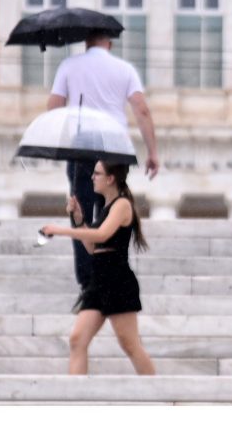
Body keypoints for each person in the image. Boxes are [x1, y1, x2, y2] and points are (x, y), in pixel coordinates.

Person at [47, 31, 159, 294]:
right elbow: (141, 109)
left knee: (80, 210)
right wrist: (152, 152)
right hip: (115, 145)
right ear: (109, 42)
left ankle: (88, 281)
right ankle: (111, 270)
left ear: (86, 40)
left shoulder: (69, 65)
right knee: (111, 209)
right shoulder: (124, 69)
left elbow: (54, 107)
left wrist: (60, 134)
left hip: (82, 142)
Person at [41, 160, 155, 375]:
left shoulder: (122, 205)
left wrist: (61, 230)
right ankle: (77, 401)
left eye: (98, 174)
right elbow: (94, 247)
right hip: (98, 279)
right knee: (77, 340)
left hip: (117, 280)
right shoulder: (105, 208)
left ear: (111, 178)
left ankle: (158, 394)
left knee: (129, 344)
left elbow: (102, 234)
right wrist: (78, 220)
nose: (93, 178)